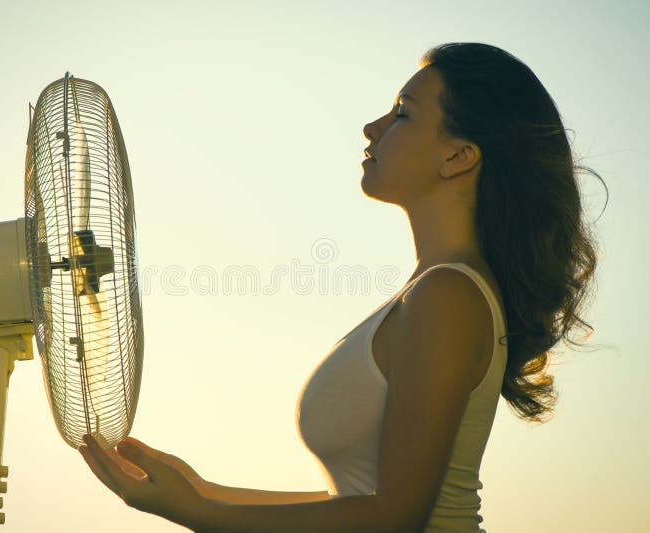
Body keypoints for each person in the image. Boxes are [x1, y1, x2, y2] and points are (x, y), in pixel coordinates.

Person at [79, 42, 605, 532]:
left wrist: (201, 514)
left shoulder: (448, 296)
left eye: (402, 113)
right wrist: (201, 491)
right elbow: (355, 502)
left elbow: (394, 517)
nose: (371, 128)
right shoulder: (433, 291)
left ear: (458, 156)